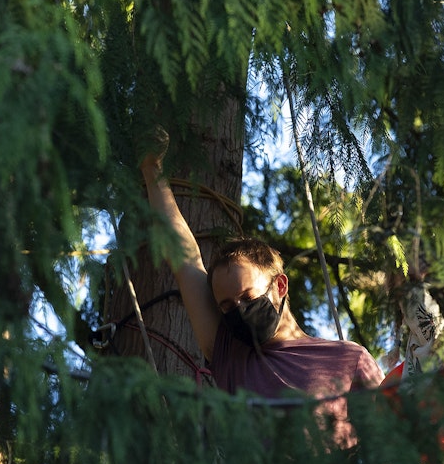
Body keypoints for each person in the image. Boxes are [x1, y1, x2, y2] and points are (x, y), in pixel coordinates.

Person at [140, 139, 384, 448]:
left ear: (280, 286)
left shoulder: (348, 359)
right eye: (226, 305)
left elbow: (392, 446)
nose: (238, 310)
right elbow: (184, 259)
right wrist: (152, 170)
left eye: (247, 296)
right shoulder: (231, 355)